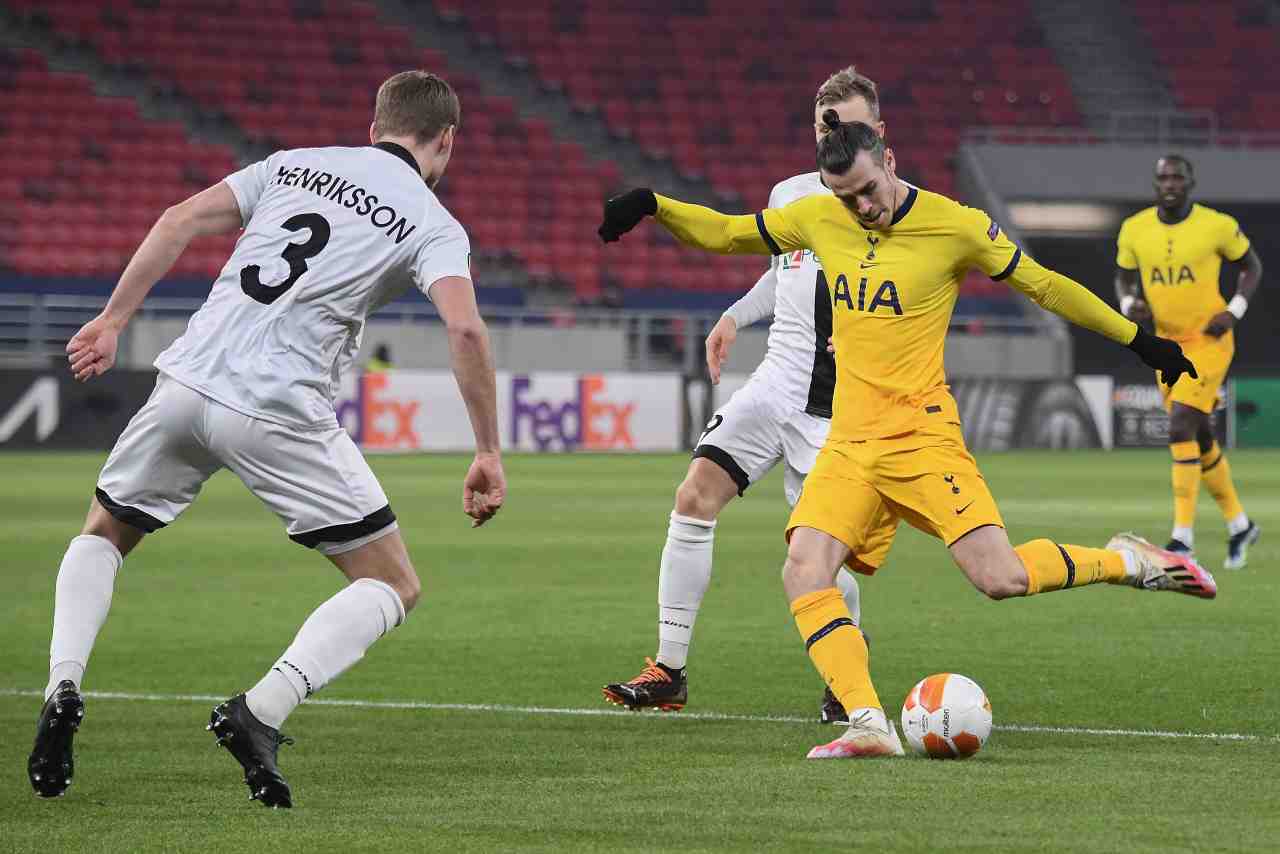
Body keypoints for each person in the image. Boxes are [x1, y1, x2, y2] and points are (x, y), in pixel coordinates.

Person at [599, 115, 1216, 760]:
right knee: (805, 568)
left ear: (889, 159)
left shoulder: (957, 225)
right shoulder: (818, 216)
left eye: (867, 190)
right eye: (846, 197)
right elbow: (727, 234)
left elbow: (1046, 286)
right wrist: (654, 205)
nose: (861, 207)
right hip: (850, 442)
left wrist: (1141, 342)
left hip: (923, 438)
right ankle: (867, 722)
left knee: (999, 577)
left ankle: (1127, 560)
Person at [27, 70, 506, 807]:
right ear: (446, 141)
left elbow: (178, 219)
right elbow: (465, 327)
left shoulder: (292, 163)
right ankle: (259, 712)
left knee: (105, 531)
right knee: (393, 583)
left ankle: (62, 683)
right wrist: (487, 450)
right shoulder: (432, 218)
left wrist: (114, 318)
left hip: (186, 383)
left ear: (373, 121)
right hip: (276, 405)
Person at [602, 67, 894, 726]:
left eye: (849, 126)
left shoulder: (897, 207)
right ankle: (668, 670)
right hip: (775, 385)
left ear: (878, 131)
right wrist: (736, 314)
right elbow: (783, 273)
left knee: (820, 554)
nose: (836, 136)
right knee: (694, 495)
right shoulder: (791, 193)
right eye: (827, 126)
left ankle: (845, 667)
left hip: (839, 409)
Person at [1115, 155, 1263, 568]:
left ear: (1190, 182)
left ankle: (1181, 539)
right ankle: (1240, 524)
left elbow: (1251, 266)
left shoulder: (1216, 225)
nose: (1170, 183)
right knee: (1198, 436)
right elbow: (1123, 275)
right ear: (1155, 183)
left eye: (1177, 176)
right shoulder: (1134, 229)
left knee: (1180, 422)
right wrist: (1129, 302)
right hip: (1165, 347)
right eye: (1163, 177)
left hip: (1209, 342)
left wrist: (1234, 310)